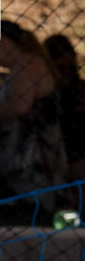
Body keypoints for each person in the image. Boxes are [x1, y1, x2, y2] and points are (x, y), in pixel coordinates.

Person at [0, 19, 69, 219]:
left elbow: (20, 106)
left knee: (36, 215)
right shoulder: (24, 65)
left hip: (35, 163)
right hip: (25, 160)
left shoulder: (27, 63)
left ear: (1, 42)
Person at [44, 33, 85, 182]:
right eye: (61, 67)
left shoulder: (80, 87)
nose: (65, 72)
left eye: (68, 67)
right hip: (59, 149)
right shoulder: (47, 93)